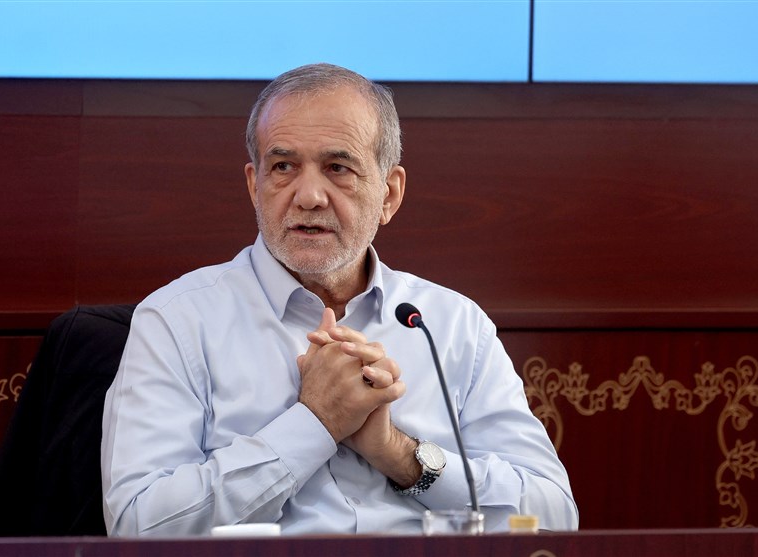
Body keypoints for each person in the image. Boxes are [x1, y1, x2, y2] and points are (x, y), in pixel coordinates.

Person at [100, 63, 578, 536]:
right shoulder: (177, 321)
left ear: (389, 194)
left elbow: (553, 516)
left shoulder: (451, 325)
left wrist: (400, 455)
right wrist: (315, 424)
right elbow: (137, 525)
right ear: (254, 186)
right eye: (283, 167)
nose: (308, 196)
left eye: (338, 168)